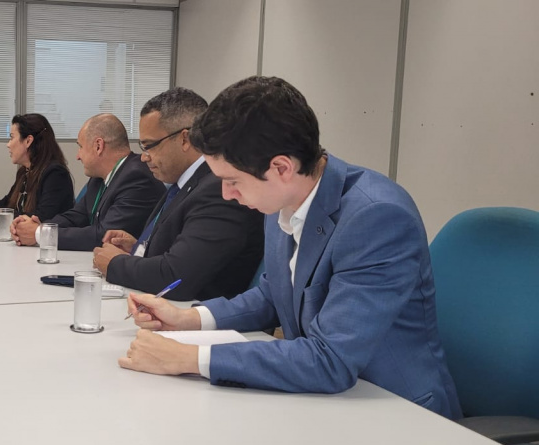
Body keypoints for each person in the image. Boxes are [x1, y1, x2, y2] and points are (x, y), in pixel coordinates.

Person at [119, 76, 462, 420]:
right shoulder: (281, 198)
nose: (227, 194)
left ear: (281, 167)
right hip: (323, 399)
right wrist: (187, 319)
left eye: (232, 181)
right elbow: (273, 295)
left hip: (396, 413)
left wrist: (190, 359)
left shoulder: (377, 217)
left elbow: (330, 360)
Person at [93, 88, 263, 301]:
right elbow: (185, 251)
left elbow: (177, 277)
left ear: (185, 139)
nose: (144, 157)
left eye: (149, 146)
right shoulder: (186, 182)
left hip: (196, 312)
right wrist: (140, 246)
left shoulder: (218, 190)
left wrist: (115, 264)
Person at [10, 114, 164, 251]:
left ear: (98, 146)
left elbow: (104, 235)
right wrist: (39, 226)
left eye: (80, 147)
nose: (78, 156)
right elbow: (76, 216)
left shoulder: (137, 178)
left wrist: (40, 234)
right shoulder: (99, 177)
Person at [0, 113, 74, 223]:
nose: (8, 144)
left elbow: (43, 217)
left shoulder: (55, 174)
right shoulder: (24, 171)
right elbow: (7, 203)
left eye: (12, 138)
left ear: (28, 141)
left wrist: (0, 216)